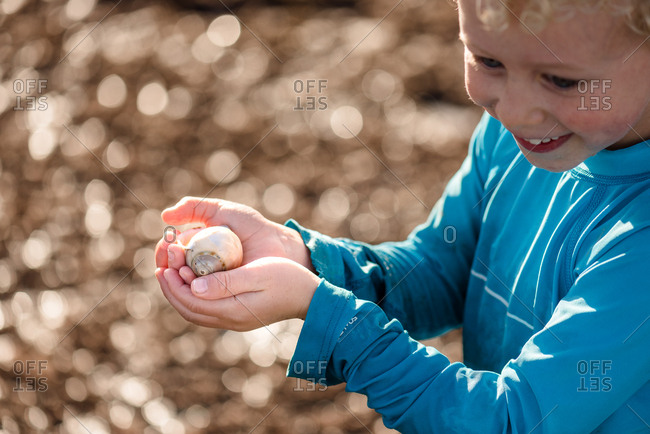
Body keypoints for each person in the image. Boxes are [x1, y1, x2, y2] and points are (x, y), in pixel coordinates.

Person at [155, 0, 650, 431]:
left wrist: (334, 318)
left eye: (562, 80)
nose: (516, 110)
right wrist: (305, 260)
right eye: (487, 59)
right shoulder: (521, 139)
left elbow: (509, 421)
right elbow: (437, 271)